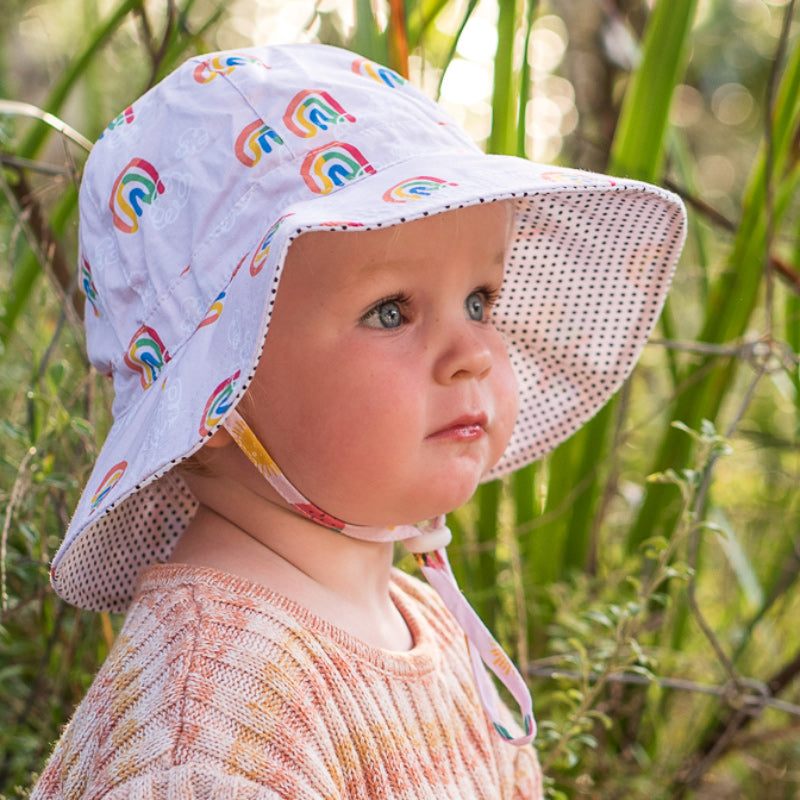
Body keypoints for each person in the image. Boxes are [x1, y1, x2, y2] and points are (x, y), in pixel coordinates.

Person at [31, 43, 685, 799]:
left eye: (480, 300)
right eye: (390, 311)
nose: (473, 351)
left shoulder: (422, 620)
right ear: (214, 392)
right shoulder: (206, 730)